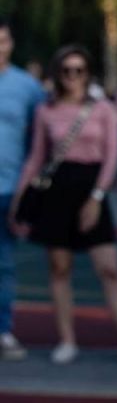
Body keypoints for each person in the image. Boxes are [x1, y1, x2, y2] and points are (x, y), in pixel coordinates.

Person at [10, 45, 117, 366]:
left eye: (78, 70)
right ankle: (67, 340)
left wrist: (97, 196)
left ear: (88, 74)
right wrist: (20, 196)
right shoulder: (45, 111)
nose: (72, 77)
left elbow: (112, 155)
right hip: (58, 190)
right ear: (57, 74)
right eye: (66, 71)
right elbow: (36, 157)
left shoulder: (102, 108)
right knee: (59, 268)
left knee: (110, 268)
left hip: (91, 188)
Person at [0, 20, 46, 359]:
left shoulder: (26, 87)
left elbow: (41, 139)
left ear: (10, 44)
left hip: (7, 187)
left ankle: (2, 331)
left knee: (3, 263)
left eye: (2, 40)